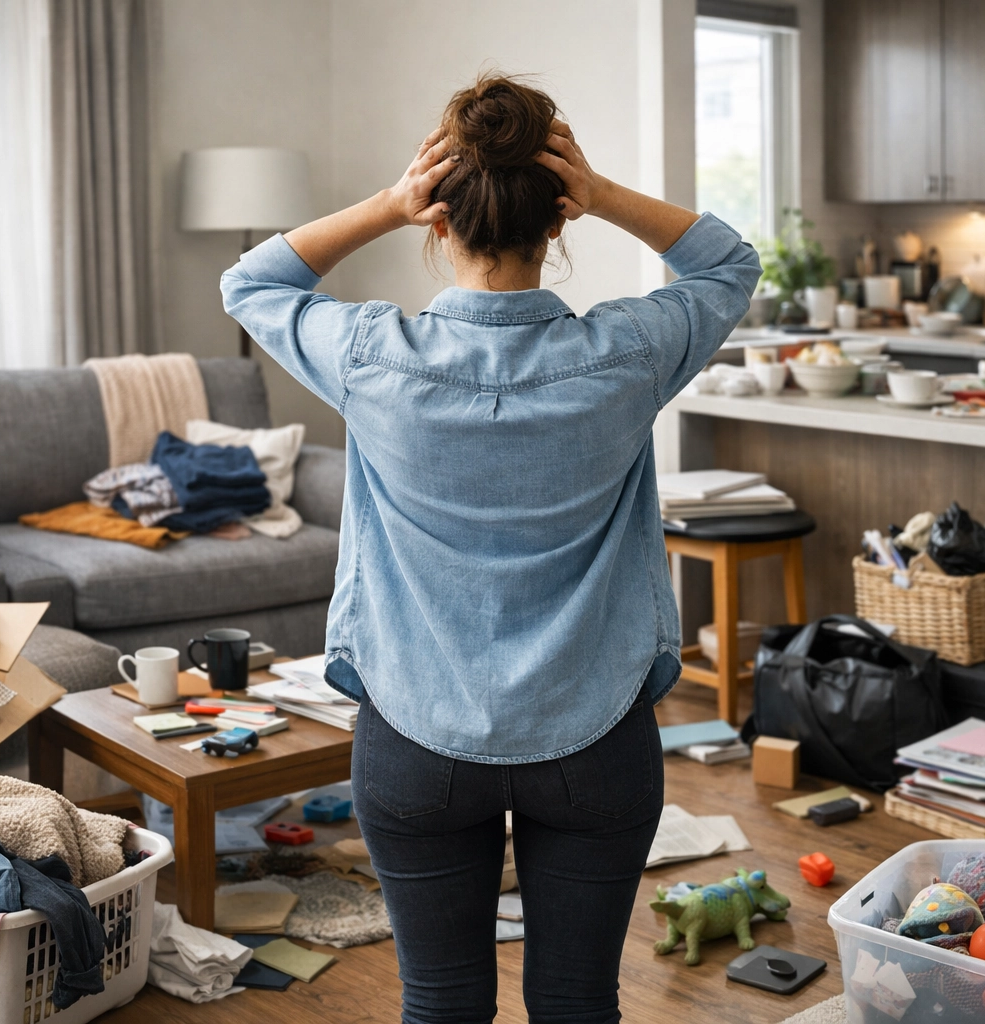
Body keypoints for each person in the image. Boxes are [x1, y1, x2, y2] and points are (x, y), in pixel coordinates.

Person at [222, 73, 760, 1024]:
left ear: (440, 221)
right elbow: (727, 265)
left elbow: (250, 282)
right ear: (558, 220)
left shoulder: (370, 356)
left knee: (441, 1003)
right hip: (597, 737)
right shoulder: (629, 354)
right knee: (578, 1002)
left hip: (415, 743)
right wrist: (604, 194)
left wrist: (387, 204)